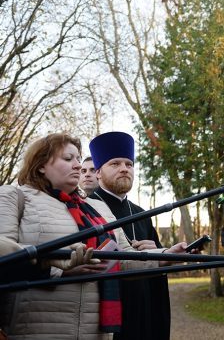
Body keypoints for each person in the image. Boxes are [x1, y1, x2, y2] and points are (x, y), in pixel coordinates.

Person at [0, 133, 187, 339]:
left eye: (78, 159)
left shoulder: (97, 207)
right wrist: (60, 268)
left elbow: (124, 257)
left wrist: (167, 255)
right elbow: (4, 257)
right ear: (41, 165)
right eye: (68, 159)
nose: (78, 166)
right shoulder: (13, 197)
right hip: (35, 327)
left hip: (95, 331)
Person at [88, 131, 170, 340]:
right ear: (98, 172)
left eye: (129, 164)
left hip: (144, 311)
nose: (124, 168)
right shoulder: (87, 208)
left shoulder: (143, 214)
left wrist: (157, 250)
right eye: (115, 164)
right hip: (105, 313)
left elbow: (160, 272)